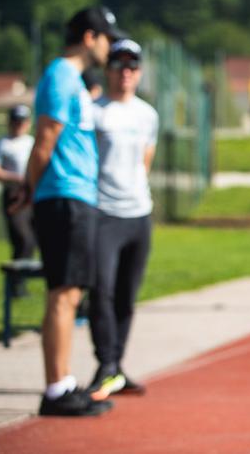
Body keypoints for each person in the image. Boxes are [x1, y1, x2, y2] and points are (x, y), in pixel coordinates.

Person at [10, 6, 123, 417]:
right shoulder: (61, 75)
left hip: (74, 196)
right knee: (63, 293)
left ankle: (63, 381)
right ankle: (56, 388)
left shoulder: (71, 79)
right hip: (63, 196)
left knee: (71, 291)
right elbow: (46, 137)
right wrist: (30, 187)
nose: (110, 47)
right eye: (108, 38)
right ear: (90, 37)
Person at [87, 39, 158, 399]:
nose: (126, 72)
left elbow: (146, 159)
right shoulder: (94, 111)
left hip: (138, 215)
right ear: (108, 69)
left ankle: (116, 365)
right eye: (119, 65)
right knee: (101, 292)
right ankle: (105, 363)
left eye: (133, 66)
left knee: (126, 297)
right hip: (103, 213)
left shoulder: (147, 114)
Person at [0, 105, 37, 294]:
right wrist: (18, 179)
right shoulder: (3, 144)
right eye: (16, 121)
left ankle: (20, 283)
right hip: (14, 193)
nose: (19, 125)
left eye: (23, 121)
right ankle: (16, 283)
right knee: (22, 238)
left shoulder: (31, 141)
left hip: (32, 192)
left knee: (32, 239)